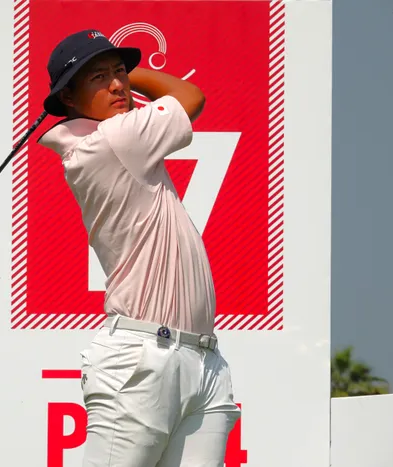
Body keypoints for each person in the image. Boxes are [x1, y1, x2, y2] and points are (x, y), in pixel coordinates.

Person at [37, 29, 241, 467]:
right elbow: (190, 97)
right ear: (68, 98)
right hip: (142, 360)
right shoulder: (113, 140)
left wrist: (110, 72)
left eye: (119, 72)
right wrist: (135, 72)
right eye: (98, 77)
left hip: (203, 362)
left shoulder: (114, 138)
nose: (117, 85)